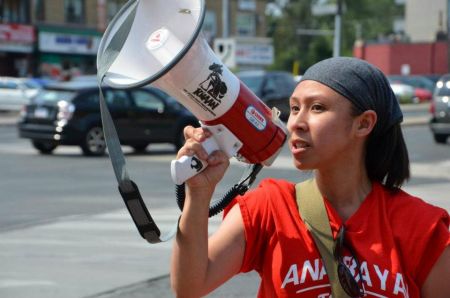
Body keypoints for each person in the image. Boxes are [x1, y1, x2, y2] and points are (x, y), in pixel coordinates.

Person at [170, 57, 450, 297]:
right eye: (294, 108)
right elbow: (190, 287)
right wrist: (198, 192)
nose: (296, 123)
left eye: (317, 108)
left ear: (363, 123)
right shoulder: (269, 207)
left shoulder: (423, 228)